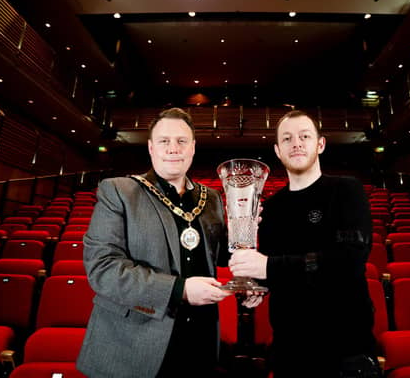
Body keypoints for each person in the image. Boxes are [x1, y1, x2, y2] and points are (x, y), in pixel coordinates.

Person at [77, 107, 239, 377]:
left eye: (181, 141)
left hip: (199, 341)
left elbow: (219, 257)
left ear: (193, 148)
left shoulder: (210, 198)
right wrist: (180, 290)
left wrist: (241, 238)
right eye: (165, 141)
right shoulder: (119, 191)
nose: (173, 148)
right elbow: (103, 270)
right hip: (134, 345)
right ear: (151, 148)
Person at [228, 110, 381, 377]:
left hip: (345, 353)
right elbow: (275, 271)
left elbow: (349, 262)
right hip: (289, 354)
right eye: (287, 138)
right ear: (277, 150)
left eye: (304, 136)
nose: (296, 143)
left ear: (320, 144)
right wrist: (257, 288)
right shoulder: (271, 208)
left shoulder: (346, 190)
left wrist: (269, 269)